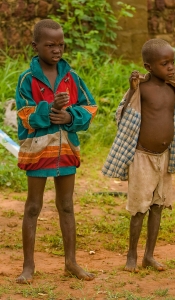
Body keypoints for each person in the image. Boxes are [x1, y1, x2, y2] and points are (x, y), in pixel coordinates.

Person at [102, 39, 175, 272]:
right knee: (139, 208)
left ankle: (149, 256)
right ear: (148, 66)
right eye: (164, 63)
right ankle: (131, 257)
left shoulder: (174, 90)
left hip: (164, 157)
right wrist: (133, 88)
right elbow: (123, 115)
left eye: (173, 62)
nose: (171, 67)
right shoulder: (142, 89)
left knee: (158, 207)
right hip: (142, 158)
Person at [15, 19, 97, 283]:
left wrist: (69, 117)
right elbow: (25, 115)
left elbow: (89, 108)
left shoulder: (71, 77)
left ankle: (71, 262)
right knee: (33, 207)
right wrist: (50, 110)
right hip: (39, 152)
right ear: (35, 45)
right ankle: (28, 267)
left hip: (66, 150)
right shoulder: (27, 79)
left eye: (61, 44)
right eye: (50, 45)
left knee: (66, 206)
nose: (57, 50)